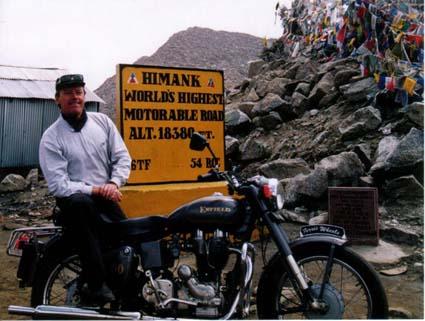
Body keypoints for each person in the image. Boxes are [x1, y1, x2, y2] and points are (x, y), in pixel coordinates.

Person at [39, 74, 131, 304]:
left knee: (132, 241)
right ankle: (95, 283)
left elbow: (122, 157)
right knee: (82, 203)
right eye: (68, 93)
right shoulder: (51, 138)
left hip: (107, 197)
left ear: (84, 95)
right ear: (57, 99)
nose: (74, 97)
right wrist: (95, 190)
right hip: (74, 202)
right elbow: (59, 185)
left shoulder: (102, 122)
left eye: (78, 92)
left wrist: (113, 183)